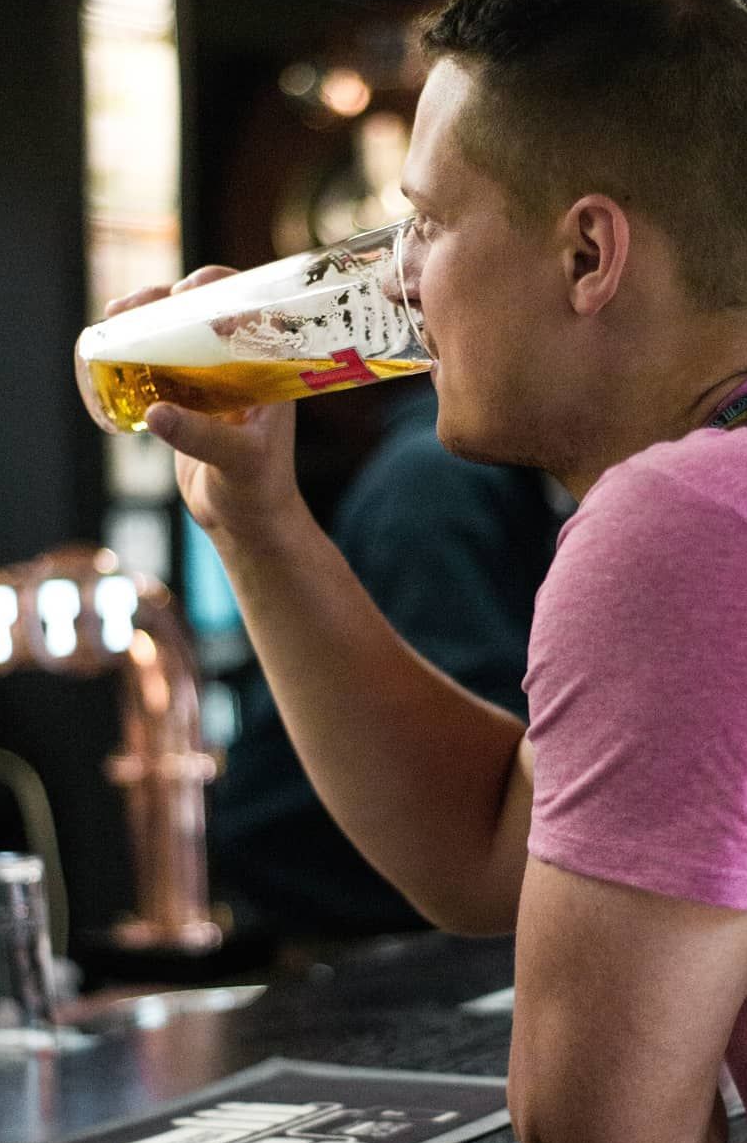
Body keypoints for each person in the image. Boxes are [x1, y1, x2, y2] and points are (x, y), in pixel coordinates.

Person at [112, 0, 747, 1143]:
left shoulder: (698, 532)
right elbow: (484, 847)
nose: (402, 283)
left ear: (588, 254)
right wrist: (257, 522)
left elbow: (596, 1132)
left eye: (425, 222)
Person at [210, 376, 564, 936]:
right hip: (344, 908)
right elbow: (493, 813)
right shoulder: (432, 483)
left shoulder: (473, 478)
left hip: (404, 896)